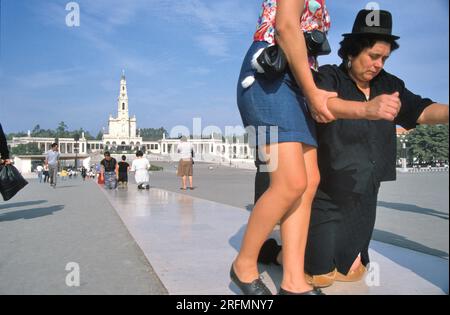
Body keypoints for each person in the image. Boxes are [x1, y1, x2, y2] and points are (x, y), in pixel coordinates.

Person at [256, 9, 449, 288]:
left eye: (384, 58)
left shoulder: (390, 84)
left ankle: (342, 253)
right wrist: (367, 109)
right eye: (373, 56)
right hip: (327, 193)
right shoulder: (328, 77)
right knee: (320, 275)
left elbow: (421, 111)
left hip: (365, 195)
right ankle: (275, 253)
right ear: (352, 52)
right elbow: (323, 105)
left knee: (351, 270)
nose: (378, 64)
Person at [233, 0, 338, 295]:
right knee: (289, 182)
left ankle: (293, 280)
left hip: (297, 76)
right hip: (270, 72)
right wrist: (312, 92)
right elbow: (285, 26)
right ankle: (244, 264)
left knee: (309, 182)